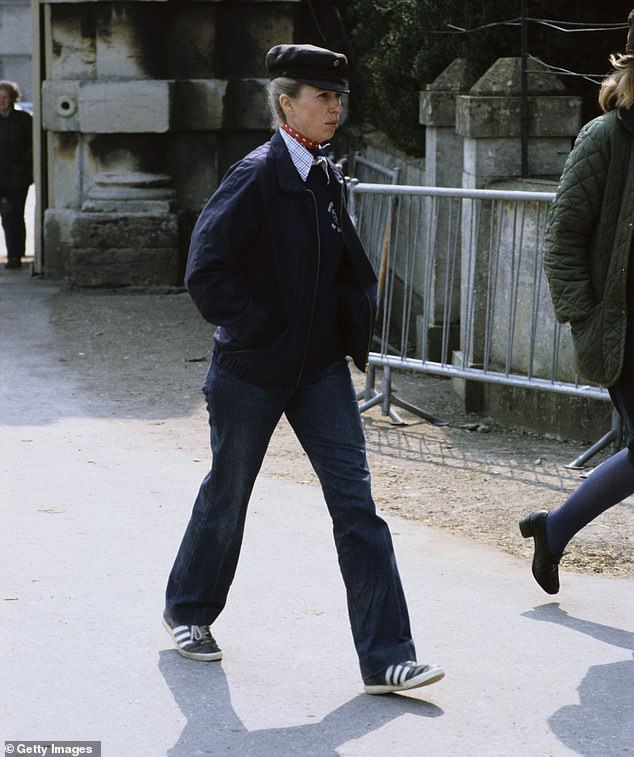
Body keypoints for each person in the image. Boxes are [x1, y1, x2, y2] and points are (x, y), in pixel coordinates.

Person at [162, 43, 445, 695]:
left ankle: (386, 656)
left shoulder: (325, 172)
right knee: (228, 494)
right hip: (252, 370)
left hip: (318, 371)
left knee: (357, 506)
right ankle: (189, 611)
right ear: (286, 103)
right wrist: (266, 326)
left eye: (339, 97)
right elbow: (205, 272)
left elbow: (341, 263)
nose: (335, 108)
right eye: (322, 97)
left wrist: (349, 319)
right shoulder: (256, 175)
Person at [520, 10, 634, 595]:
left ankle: (554, 528)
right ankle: (555, 528)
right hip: (623, 331)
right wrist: (584, 315)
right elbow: (564, 235)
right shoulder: (605, 137)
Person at [0, 80, 32, 269]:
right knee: (7, 216)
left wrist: (23, 166)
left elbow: (32, 145)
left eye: (5, 97)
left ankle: (15, 254)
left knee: (14, 216)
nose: (2, 101)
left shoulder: (23, 119)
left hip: (18, 178)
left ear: (12, 98)